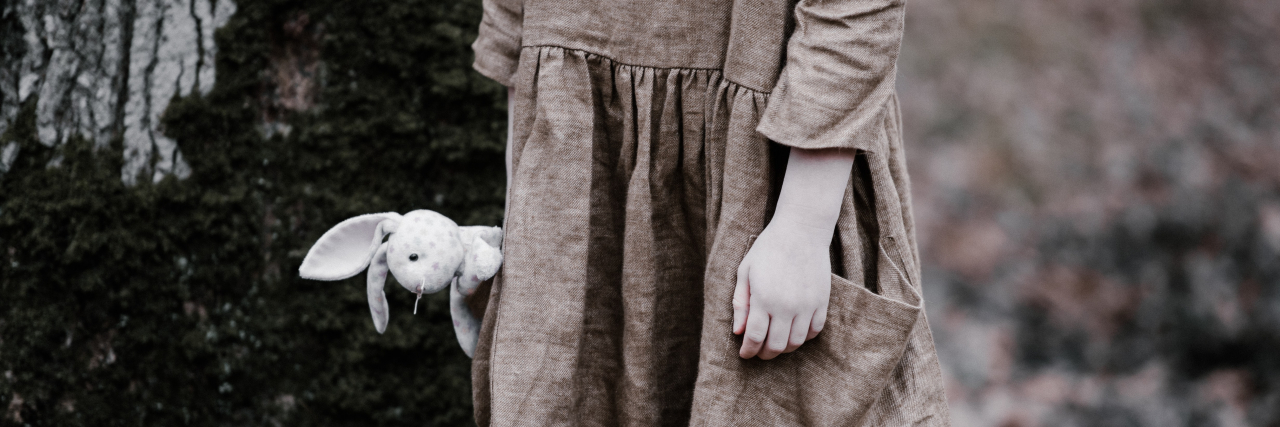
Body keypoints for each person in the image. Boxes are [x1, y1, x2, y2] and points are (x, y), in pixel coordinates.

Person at [468, 0, 951, 425]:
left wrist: (801, 229)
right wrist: (525, 223)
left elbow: (854, 11)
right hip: (574, 185)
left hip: (773, 186)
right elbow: (518, 35)